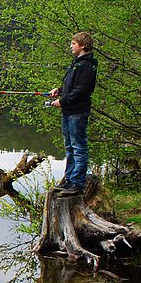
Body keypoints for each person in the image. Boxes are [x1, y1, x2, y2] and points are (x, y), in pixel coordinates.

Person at [49, 32, 98, 196]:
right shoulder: (77, 63)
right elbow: (72, 85)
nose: (71, 46)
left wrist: (62, 101)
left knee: (78, 147)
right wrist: (59, 90)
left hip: (77, 112)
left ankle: (77, 183)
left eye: (73, 43)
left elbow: (81, 90)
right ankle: (69, 180)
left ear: (82, 45)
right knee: (69, 147)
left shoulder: (86, 65)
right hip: (69, 111)